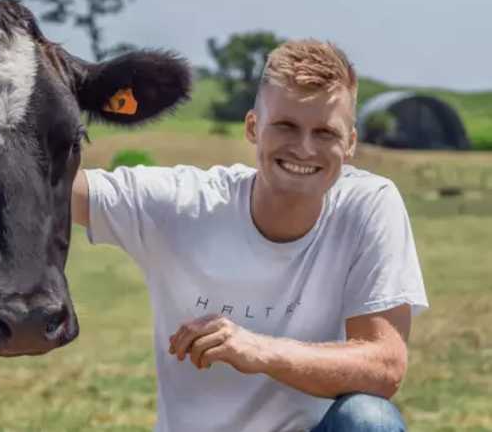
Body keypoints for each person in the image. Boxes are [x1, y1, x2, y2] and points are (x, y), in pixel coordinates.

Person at [71, 39, 428, 432]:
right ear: (253, 127)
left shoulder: (370, 205)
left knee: (369, 420)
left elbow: (385, 365)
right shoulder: (183, 204)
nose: (304, 149)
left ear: (351, 143)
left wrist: (257, 349)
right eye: (286, 126)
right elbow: (56, 190)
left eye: (325, 132)